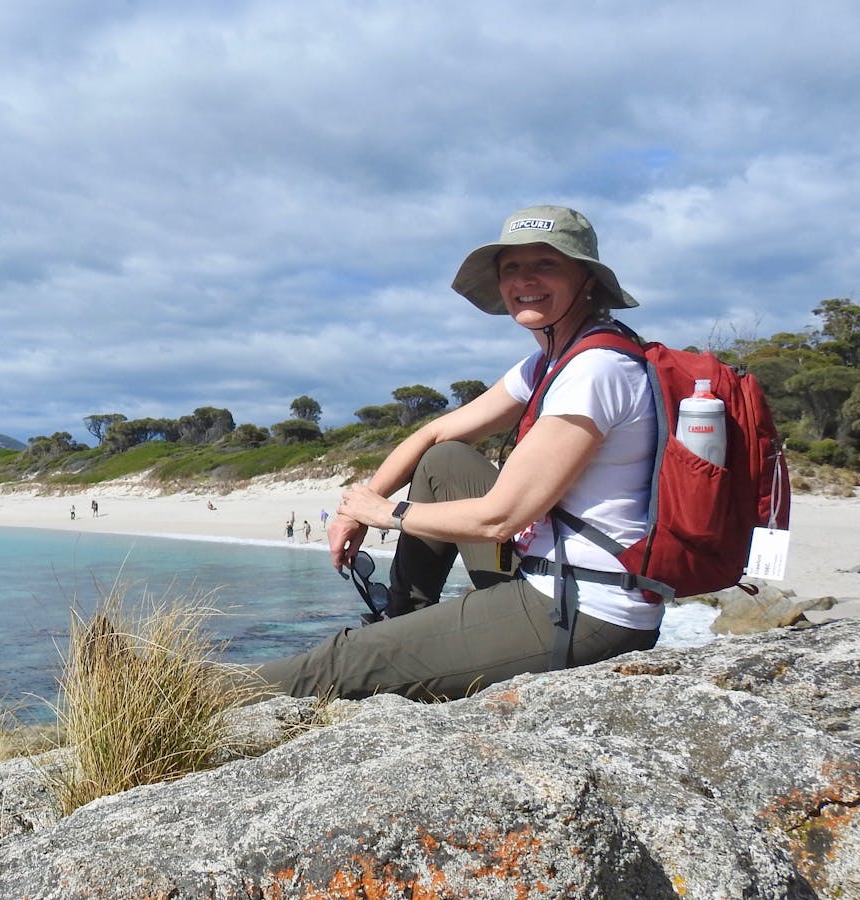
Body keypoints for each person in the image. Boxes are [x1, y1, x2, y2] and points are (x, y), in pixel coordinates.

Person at [248, 205, 660, 702]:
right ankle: (403, 622)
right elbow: (435, 433)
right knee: (446, 461)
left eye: (546, 264)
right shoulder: (552, 362)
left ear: (587, 279)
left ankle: (184, 691)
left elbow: (499, 520)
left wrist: (387, 513)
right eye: (511, 267)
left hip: (586, 611)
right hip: (554, 570)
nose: (524, 280)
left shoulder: (596, 370)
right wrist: (359, 505)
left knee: (343, 659)